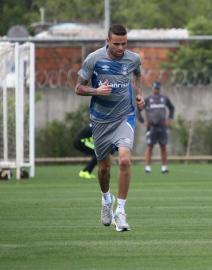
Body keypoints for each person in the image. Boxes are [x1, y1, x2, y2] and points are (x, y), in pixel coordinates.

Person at [75, 24, 145, 232]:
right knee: (104, 169)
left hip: (125, 117)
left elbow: (137, 75)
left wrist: (139, 94)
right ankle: (106, 200)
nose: (121, 48)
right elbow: (78, 88)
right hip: (100, 121)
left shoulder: (133, 59)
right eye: (116, 44)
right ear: (107, 40)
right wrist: (96, 90)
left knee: (124, 160)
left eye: (124, 43)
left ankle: (121, 211)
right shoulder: (93, 59)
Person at [137, 81, 175, 173]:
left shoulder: (164, 99)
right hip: (152, 127)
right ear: (152, 89)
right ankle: (147, 167)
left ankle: (164, 167)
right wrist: (142, 121)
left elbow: (171, 108)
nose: (156, 90)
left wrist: (169, 119)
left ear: (159, 89)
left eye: (157, 88)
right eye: (154, 88)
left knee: (163, 146)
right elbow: (138, 109)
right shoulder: (148, 99)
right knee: (149, 146)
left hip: (162, 126)